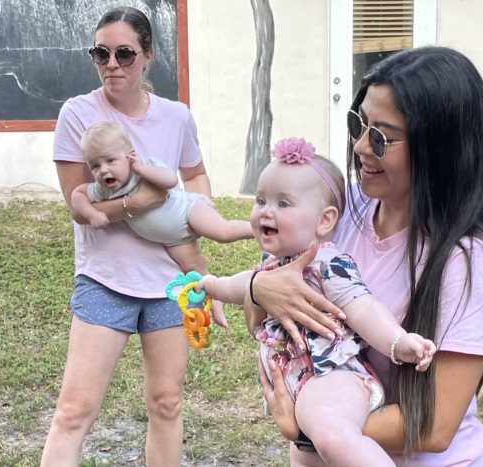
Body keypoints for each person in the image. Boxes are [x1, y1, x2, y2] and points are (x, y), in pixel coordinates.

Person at [246, 47, 483, 466]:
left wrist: (308, 427)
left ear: (438, 148)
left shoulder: (469, 260)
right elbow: (261, 318)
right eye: (359, 124)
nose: (359, 146)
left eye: (381, 137)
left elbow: (434, 426)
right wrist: (259, 287)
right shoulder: (341, 211)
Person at [41, 7, 229, 466]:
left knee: (167, 403)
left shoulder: (176, 117)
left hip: (169, 285)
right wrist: (135, 206)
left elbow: (196, 174)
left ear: (148, 56)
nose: (112, 64)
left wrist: (194, 216)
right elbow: (79, 208)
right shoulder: (78, 115)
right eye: (100, 53)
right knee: (74, 410)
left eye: (125, 53)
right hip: (106, 280)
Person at [197, 137, 437, 466]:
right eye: (261, 199)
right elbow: (243, 286)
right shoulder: (271, 264)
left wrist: (398, 342)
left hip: (331, 376)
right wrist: (212, 285)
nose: (266, 211)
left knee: (332, 433)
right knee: (306, 456)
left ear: (324, 220)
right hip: (301, 386)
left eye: (283, 203)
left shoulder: (325, 263)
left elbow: (363, 308)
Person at [71, 121, 253, 274]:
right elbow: (77, 194)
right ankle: (216, 304)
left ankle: (259, 230)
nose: (103, 170)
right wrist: (91, 214)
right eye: (95, 166)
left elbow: (171, 180)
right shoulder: (104, 190)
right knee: (196, 271)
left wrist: (142, 169)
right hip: (173, 240)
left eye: (110, 161)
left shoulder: (146, 168)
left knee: (222, 233)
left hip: (187, 210)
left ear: (130, 155)